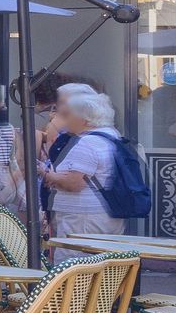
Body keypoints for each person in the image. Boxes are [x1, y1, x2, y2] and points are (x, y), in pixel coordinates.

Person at [42, 85, 129, 239]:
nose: (65, 120)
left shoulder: (86, 143)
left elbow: (74, 183)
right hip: (104, 214)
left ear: (83, 119)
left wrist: (46, 174)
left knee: (74, 260)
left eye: (68, 115)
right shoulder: (111, 135)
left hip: (83, 219)